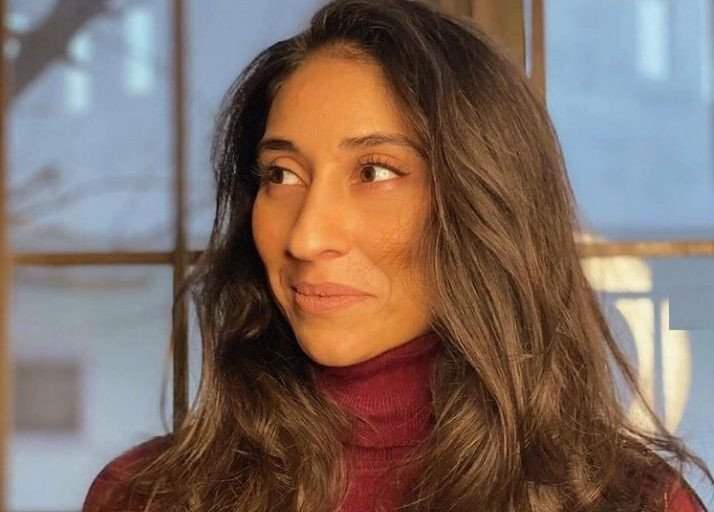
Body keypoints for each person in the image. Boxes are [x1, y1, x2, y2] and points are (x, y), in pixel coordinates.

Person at [82, 0, 712, 511]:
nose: (305, 237)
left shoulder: (631, 503)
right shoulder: (145, 496)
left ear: (484, 202)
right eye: (281, 175)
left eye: (375, 171)